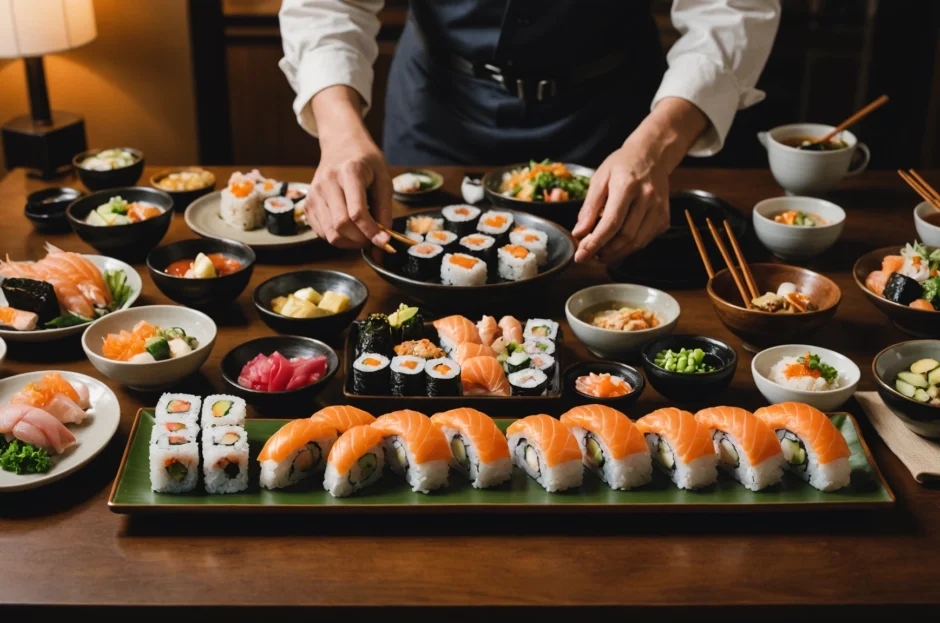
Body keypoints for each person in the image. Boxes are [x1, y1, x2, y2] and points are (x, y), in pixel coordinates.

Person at [279, 1, 780, 264]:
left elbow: (730, 8)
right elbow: (327, 5)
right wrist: (339, 133)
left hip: (616, 118)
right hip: (437, 106)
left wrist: (657, 147)